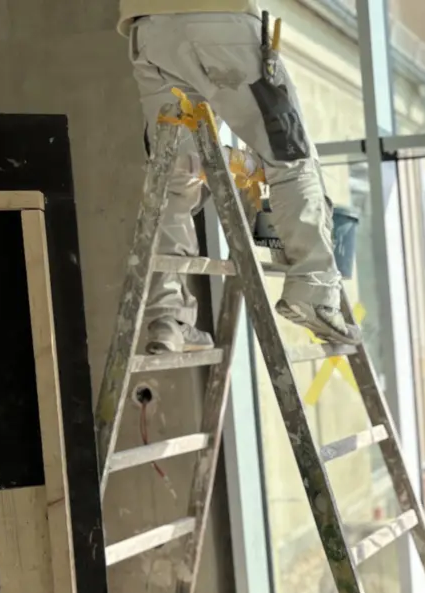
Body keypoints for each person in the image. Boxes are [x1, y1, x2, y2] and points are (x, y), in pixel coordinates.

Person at [117, 1, 360, 354]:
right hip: (219, 20)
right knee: (290, 157)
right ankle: (314, 290)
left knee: (176, 171)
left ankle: (168, 319)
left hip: (149, 30)